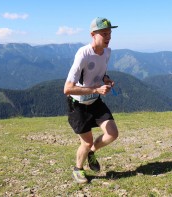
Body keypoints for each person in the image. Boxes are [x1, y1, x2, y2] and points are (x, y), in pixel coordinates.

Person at [63, 17, 119, 184]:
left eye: (109, 33)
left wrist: (106, 79)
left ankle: (92, 152)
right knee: (86, 142)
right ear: (93, 35)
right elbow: (67, 88)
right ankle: (78, 169)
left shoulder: (107, 52)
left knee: (112, 134)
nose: (108, 37)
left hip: (94, 101)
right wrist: (96, 89)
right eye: (104, 33)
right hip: (78, 105)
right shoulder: (83, 54)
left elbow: (100, 74)